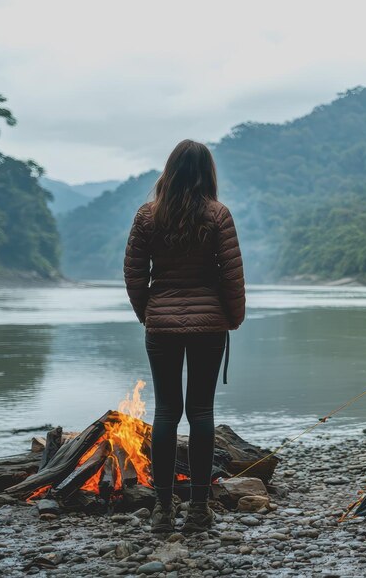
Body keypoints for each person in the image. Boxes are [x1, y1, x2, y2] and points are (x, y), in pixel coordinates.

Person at [123, 139, 245, 534]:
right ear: (207, 172)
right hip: (210, 325)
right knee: (202, 413)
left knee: (165, 412)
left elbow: (134, 273)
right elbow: (231, 274)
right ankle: (198, 508)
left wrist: (149, 312)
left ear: (169, 171)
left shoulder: (147, 216)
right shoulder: (218, 214)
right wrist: (233, 317)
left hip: (162, 325)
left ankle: (161, 510)